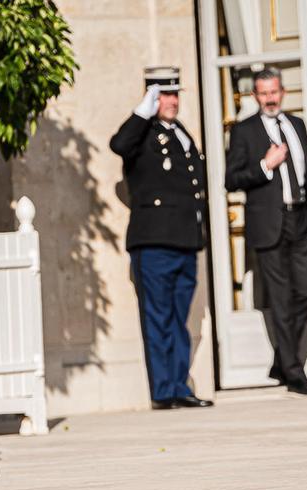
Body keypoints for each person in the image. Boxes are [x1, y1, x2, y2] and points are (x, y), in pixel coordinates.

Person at [223, 69, 307, 395]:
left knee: (305, 294)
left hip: (301, 220)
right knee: (282, 299)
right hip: (269, 224)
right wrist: (265, 165)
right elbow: (231, 179)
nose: (270, 98)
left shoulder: (296, 125)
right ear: (255, 96)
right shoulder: (244, 131)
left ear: (282, 92)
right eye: (263, 93)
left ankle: (282, 360)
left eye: (274, 92)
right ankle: (295, 373)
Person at [109, 65, 213, 411]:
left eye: (173, 94)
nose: (171, 101)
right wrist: (143, 110)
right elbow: (119, 144)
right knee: (157, 318)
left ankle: (179, 384)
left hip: (185, 240)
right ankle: (164, 390)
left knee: (179, 319)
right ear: (151, 97)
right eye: (163, 94)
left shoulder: (181, 132)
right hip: (154, 243)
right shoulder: (142, 133)